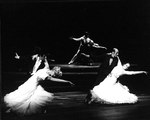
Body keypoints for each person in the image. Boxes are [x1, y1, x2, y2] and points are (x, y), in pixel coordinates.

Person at [4, 57, 74, 116]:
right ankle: (13, 108)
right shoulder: (46, 72)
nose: (53, 76)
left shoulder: (47, 71)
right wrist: (44, 58)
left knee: (34, 97)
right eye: (54, 75)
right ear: (54, 73)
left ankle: (13, 109)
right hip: (30, 84)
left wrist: (66, 81)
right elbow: (47, 64)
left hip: (32, 83)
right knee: (23, 96)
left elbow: (48, 67)